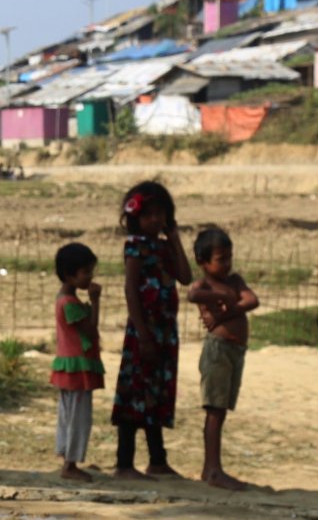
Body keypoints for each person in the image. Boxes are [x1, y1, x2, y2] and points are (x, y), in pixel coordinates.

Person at [111, 180, 192, 480]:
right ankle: (124, 463)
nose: (155, 220)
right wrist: (143, 334)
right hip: (142, 332)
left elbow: (185, 276)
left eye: (161, 214)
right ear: (136, 217)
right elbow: (131, 290)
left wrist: (175, 239)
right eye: (150, 215)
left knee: (156, 392)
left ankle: (158, 459)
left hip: (165, 332)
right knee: (134, 394)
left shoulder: (164, 246)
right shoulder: (135, 247)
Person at [188, 227, 258, 490]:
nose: (227, 264)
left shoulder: (235, 280)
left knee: (221, 409)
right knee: (214, 410)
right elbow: (193, 294)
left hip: (235, 351)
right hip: (218, 350)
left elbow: (252, 300)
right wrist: (223, 296)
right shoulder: (207, 285)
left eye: (230, 257)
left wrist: (224, 313)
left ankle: (210, 468)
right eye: (221, 259)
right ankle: (214, 469)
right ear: (203, 262)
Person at [49, 242, 105, 482]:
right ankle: (70, 464)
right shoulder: (70, 303)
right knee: (78, 418)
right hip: (78, 368)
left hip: (69, 366)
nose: (90, 277)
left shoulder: (64, 298)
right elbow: (91, 331)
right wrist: (96, 301)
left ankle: (67, 457)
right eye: (86, 272)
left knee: (68, 415)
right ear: (70, 275)